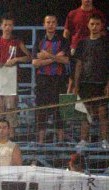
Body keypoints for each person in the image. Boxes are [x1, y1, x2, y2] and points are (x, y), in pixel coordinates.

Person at [32, 15, 70, 144]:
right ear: (44, 24)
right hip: (43, 81)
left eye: (53, 22)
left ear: (57, 24)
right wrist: (54, 58)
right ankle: (40, 143)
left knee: (59, 111)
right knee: (41, 111)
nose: (51, 24)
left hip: (59, 80)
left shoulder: (63, 41)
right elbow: (35, 62)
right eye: (48, 22)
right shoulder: (38, 41)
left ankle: (60, 142)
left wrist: (46, 56)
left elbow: (66, 60)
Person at [72, 15, 109, 149]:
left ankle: (105, 140)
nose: (94, 27)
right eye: (92, 24)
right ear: (88, 25)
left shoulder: (106, 43)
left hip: (101, 84)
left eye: (97, 24)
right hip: (85, 84)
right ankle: (84, 140)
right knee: (85, 113)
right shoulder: (82, 43)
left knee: (103, 113)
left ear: (101, 26)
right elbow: (79, 65)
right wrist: (76, 85)